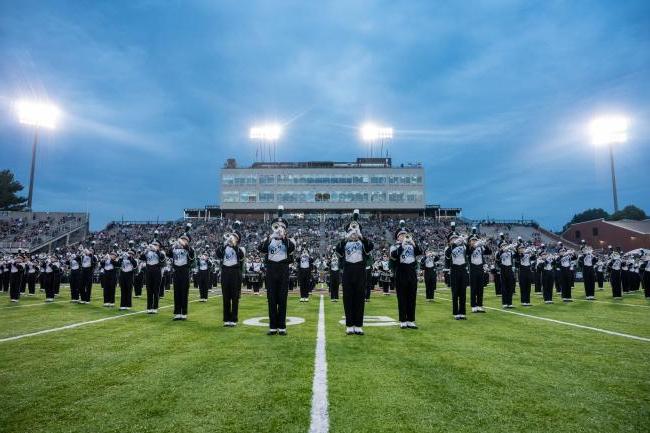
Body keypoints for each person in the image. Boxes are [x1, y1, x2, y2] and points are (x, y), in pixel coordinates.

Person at [335, 209, 374, 335]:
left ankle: (358, 325)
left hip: (360, 271)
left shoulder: (362, 242)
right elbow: (338, 250)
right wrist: (346, 237)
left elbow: (370, 247)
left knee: (359, 297)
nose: (353, 233)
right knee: (348, 298)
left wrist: (361, 236)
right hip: (348, 271)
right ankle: (349, 325)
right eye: (351, 230)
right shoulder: (344, 243)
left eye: (355, 230)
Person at [258, 205, 296, 336]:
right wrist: (271, 236)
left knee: (282, 298)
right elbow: (260, 248)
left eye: (281, 227)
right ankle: (273, 327)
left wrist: (283, 237)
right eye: (276, 227)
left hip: (283, 270)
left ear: (285, 229)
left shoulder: (289, 240)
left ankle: (282, 326)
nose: (279, 229)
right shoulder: (269, 240)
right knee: (272, 298)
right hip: (271, 269)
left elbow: (291, 248)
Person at [390, 220, 423, 328]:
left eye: (405, 235)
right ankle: (403, 320)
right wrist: (402, 246)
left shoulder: (411, 245)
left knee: (412, 296)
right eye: (402, 235)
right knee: (402, 297)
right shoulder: (394, 246)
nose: (404, 236)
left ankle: (411, 320)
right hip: (400, 272)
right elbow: (394, 256)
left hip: (411, 271)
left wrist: (413, 243)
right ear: (398, 237)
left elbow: (420, 252)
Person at [216, 221, 245, 327]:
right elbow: (217, 254)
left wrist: (234, 245)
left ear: (238, 240)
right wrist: (224, 243)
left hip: (235, 273)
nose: (232, 238)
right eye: (232, 237)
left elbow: (241, 257)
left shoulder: (240, 248)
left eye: (234, 237)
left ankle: (234, 319)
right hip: (225, 272)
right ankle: (226, 319)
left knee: (235, 297)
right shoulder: (224, 247)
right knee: (226, 297)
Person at [168, 226, 196, 321]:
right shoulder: (175, 249)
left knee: (184, 292)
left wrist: (185, 246)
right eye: (182, 239)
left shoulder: (189, 249)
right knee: (176, 292)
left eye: (185, 240)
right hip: (176, 271)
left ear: (188, 241)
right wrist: (172, 247)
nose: (183, 241)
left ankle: (183, 313)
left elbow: (192, 258)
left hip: (184, 271)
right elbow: (168, 254)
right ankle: (177, 313)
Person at [445, 226, 468, 320]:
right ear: (449, 241)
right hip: (454, 270)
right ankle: (456, 313)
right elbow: (447, 256)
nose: (455, 240)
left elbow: (469, 252)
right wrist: (454, 244)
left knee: (463, 292)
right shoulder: (448, 248)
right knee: (455, 292)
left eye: (456, 238)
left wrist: (465, 241)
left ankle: (462, 312)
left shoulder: (463, 246)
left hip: (463, 269)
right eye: (453, 239)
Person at [467, 228, 491, 312]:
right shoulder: (468, 248)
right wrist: (474, 246)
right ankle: (474, 305)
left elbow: (489, 252)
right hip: (473, 269)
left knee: (480, 288)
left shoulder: (480, 248)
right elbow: (468, 253)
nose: (474, 241)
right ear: (469, 242)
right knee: (473, 288)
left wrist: (484, 244)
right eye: (472, 240)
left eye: (475, 240)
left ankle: (480, 305)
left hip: (480, 268)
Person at [141, 238, 165, 313]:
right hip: (148, 271)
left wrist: (156, 251)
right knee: (149, 289)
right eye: (153, 244)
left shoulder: (161, 252)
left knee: (156, 290)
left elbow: (162, 260)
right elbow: (141, 257)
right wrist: (145, 250)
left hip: (157, 271)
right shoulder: (148, 252)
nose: (153, 246)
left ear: (159, 246)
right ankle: (149, 307)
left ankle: (155, 307)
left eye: (155, 245)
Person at [496, 233, 516, 309]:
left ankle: (510, 303)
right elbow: (497, 259)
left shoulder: (510, 252)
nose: (505, 246)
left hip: (509, 269)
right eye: (503, 245)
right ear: (500, 247)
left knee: (510, 286)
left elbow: (517, 255)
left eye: (505, 245)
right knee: (504, 287)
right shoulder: (499, 253)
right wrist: (502, 250)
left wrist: (514, 248)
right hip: (503, 269)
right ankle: (504, 303)